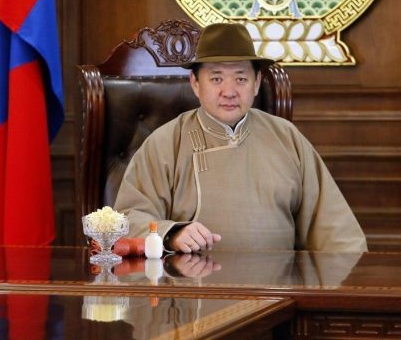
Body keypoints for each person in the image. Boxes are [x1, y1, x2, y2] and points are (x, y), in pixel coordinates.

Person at [114, 23, 367, 253]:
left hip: (278, 284)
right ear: (195, 84)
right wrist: (171, 234)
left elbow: (336, 231)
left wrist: (351, 278)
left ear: (256, 83)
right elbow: (127, 220)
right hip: (189, 286)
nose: (229, 91)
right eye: (216, 79)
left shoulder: (287, 137)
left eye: (241, 78)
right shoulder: (166, 142)